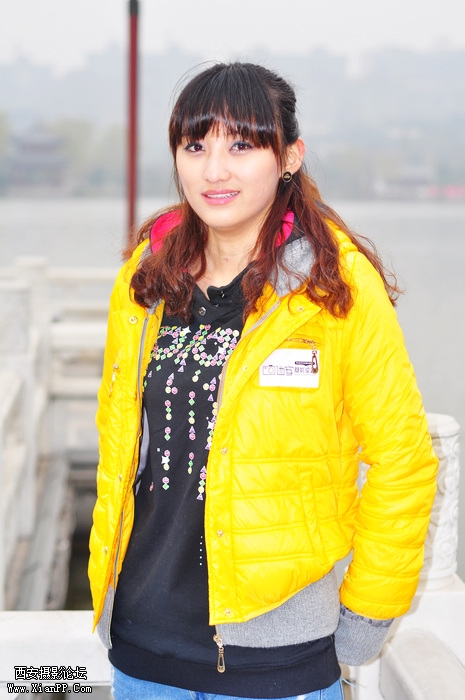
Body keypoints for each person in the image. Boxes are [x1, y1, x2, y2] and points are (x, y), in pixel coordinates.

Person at [88, 62, 438, 700]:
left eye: (242, 146)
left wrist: (364, 621)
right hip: (142, 656)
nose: (214, 170)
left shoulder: (334, 289)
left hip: (280, 664)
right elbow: (120, 441)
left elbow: (403, 460)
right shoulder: (145, 280)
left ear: (289, 157)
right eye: (196, 146)